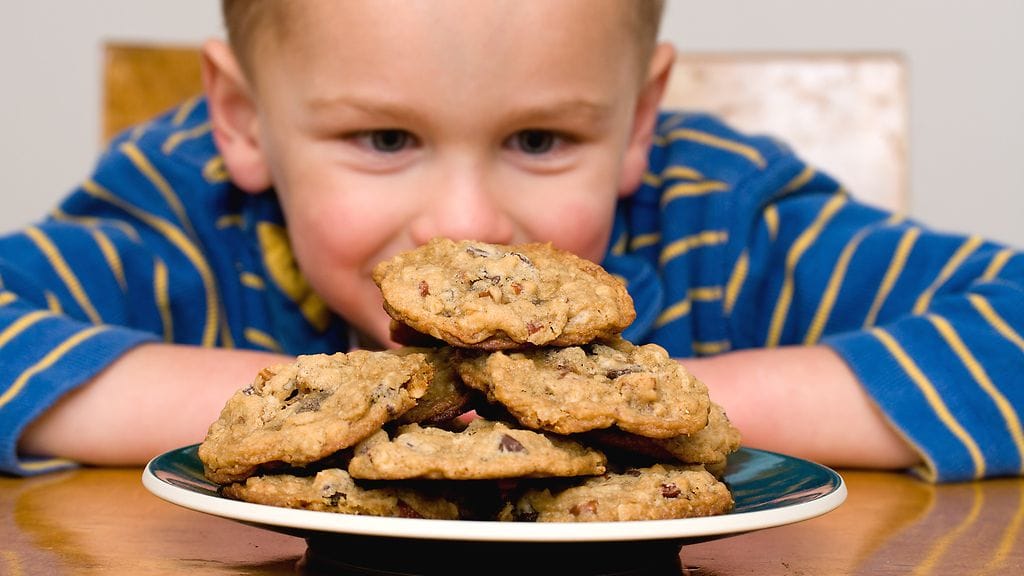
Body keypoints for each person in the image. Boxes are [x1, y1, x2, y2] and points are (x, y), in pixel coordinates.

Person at [1, 0, 1021, 483]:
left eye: (538, 139)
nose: (467, 227)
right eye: (384, 138)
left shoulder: (721, 220)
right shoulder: (184, 216)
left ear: (636, 124)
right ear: (242, 121)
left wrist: (648, 412)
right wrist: (322, 412)